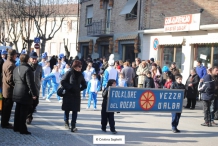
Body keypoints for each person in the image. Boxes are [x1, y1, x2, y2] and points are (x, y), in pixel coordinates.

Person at [13, 54, 37, 135]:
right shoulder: (27, 69)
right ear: (27, 60)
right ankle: (22, 129)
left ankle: (16, 126)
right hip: (25, 93)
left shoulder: (16, 68)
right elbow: (30, 83)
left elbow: (14, 80)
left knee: (17, 110)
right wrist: (34, 94)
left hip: (16, 91)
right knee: (24, 111)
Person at [61, 60, 87, 132]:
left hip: (76, 95)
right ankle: (66, 122)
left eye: (81, 66)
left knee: (75, 110)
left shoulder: (80, 74)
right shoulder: (69, 72)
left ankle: (73, 125)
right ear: (75, 66)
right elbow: (63, 81)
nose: (80, 68)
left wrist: (80, 89)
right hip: (68, 94)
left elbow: (84, 84)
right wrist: (69, 88)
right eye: (79, 66)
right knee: (67, 109)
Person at [1, 49, 17, 129]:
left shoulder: (6, 62)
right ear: (14, 56)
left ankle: (4, 122)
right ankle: (5, 123)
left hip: (5, 88)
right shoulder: (10, 64)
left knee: (5, 108)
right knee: (7, 108)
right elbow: (9, 79)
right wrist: (16, 86)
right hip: (9, 90)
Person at [26, 51, 43, 124]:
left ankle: (30, 114)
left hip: (36, 88)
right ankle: (28, 116)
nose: (34, 60)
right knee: (28, 103)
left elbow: (40, 76)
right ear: (29, 59)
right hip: (28, 88)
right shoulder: (27, 66)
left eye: (35, 59)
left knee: (35, 103)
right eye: (33, 58)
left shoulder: (39, 67)